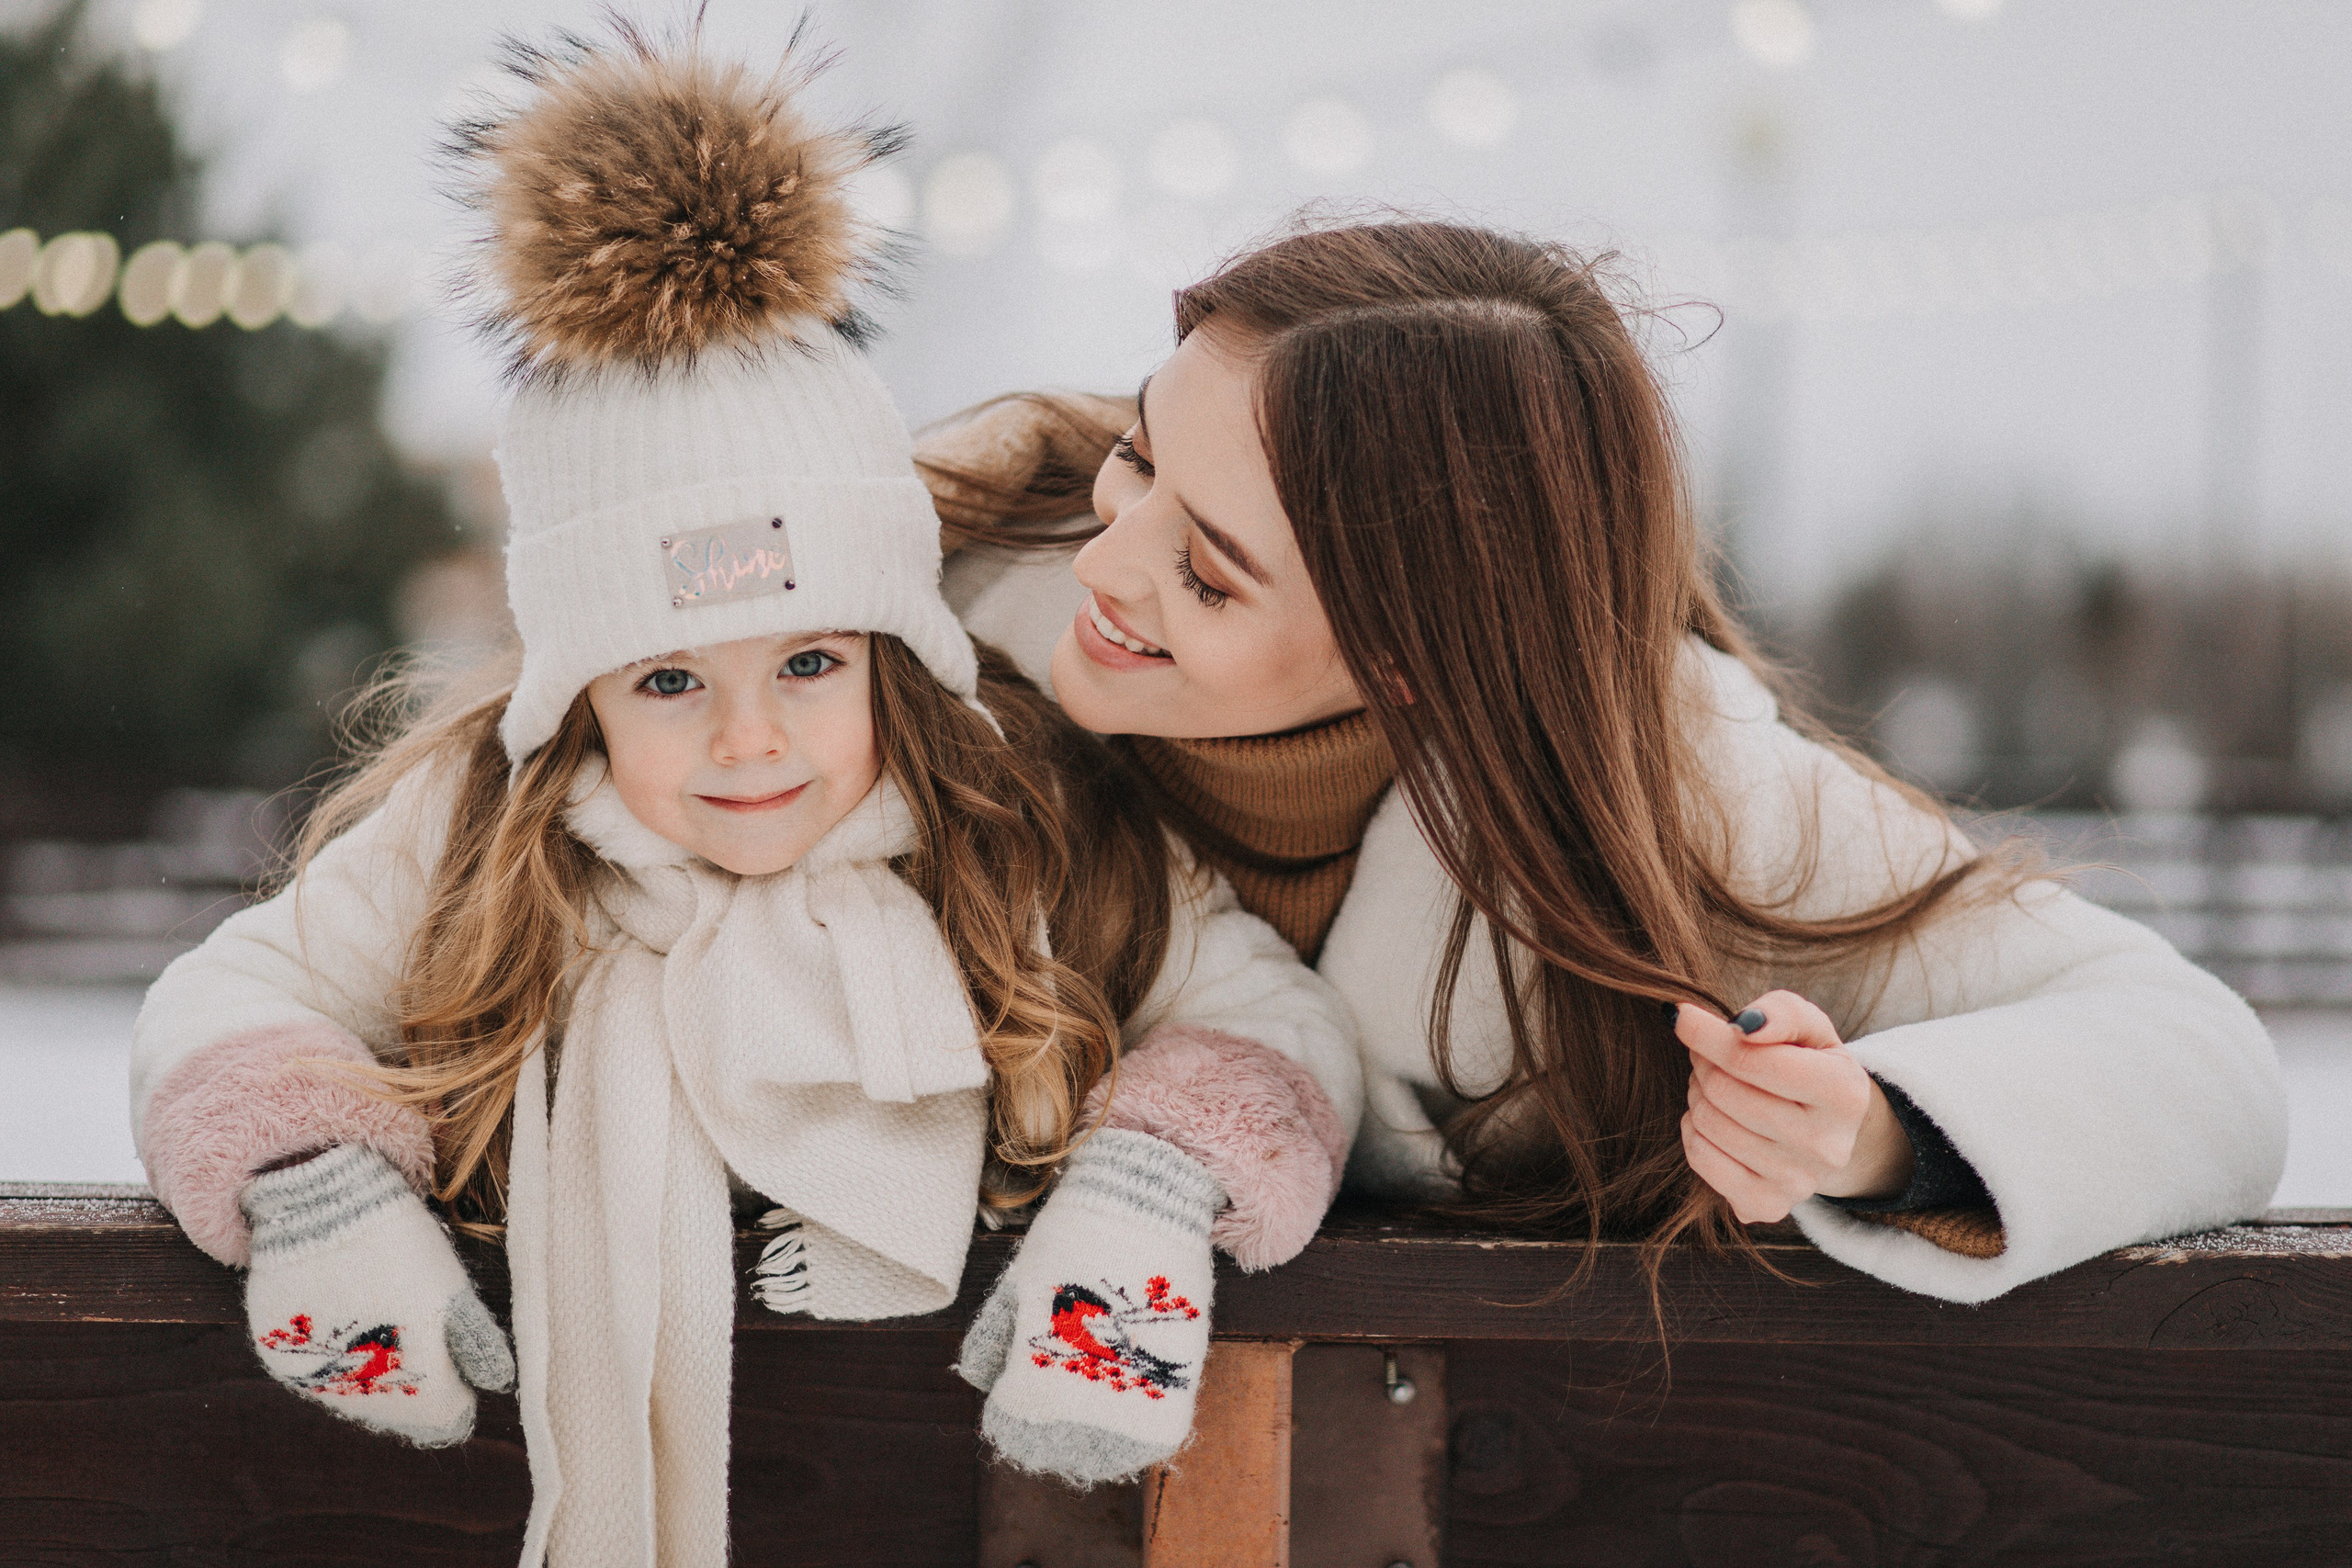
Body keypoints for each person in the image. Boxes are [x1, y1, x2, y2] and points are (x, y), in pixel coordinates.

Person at [124, 30, 1356, 1564]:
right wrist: (314, 1179)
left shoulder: (1024, 826)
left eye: (812, 662)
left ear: (895, 651)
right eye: (667, 679)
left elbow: (1270, 1018)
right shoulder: (480, 837)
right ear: (576, 694)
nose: (750, 739)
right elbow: (232, 995)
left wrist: (1152, 1188)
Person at [922, 218, 2286, 1303]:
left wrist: (1875, 1134)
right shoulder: (885, 639)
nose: (1103, 560)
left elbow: (2197, 1059)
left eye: (1210, 576)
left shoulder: (1693, 795)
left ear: (1416, 649)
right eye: (1137, 456)